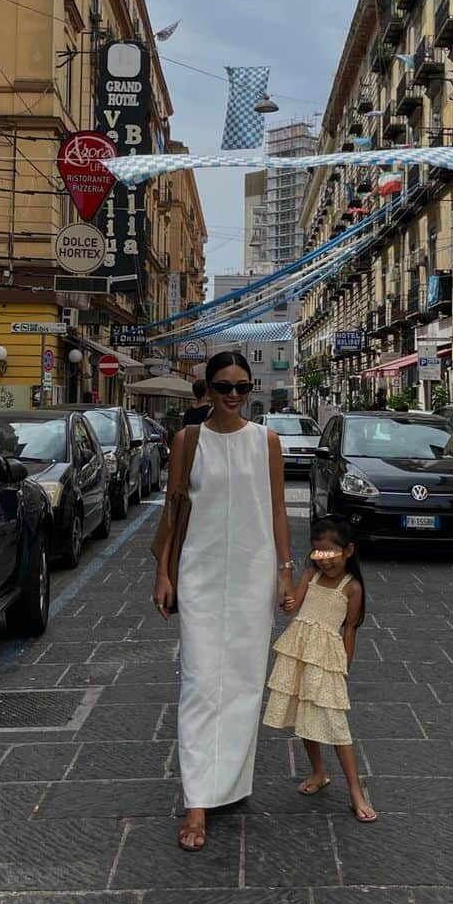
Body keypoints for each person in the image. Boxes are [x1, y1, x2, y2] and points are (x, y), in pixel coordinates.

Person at [152, 352, 295, 851]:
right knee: (199, 681)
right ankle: (197, 800)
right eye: (222, 387)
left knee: (243, 683)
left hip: (254, 575)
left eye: (241, 386)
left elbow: (278, 509)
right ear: (206, 390)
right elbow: (172, 512)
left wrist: (285, 573)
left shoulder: (267, 442)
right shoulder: (187, 441)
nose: (233, 395)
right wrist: (162, 573)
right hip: (200, 574)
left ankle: (228, 781)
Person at [262, 516, 378, 823]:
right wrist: (286, 600)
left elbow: (350, 630)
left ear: (348, 551)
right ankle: (318, 772)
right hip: (300, 654)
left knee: (337, 726)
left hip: (326, 660)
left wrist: (344, 667)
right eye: (318, 554)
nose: (324, 562)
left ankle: (356, 791)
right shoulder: (311, 575)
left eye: (330, 554)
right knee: (305, 716)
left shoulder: (351, 587)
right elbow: (294, 606)